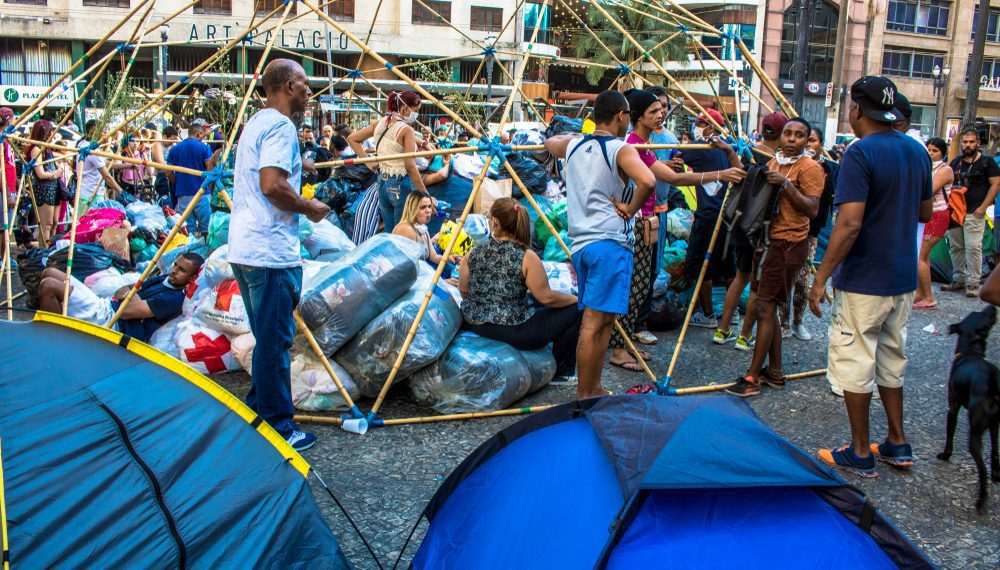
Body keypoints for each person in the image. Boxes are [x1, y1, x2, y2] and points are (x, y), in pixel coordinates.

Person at [808, 76, 932, 477]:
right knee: (892, 358)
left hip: (864, 278)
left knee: (854, 361)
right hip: (901, 276)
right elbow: (926, 213)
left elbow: (848, 224)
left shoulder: (859, 154)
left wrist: (820, 277)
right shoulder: (916, 152)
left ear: (857, 109)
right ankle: (897, 441)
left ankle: (860, 450)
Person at [229, 59, 330, 452]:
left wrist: (298, 167)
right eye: (305, 84)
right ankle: (278, 427)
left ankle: (259, 412)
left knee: (266, 339)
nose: (309, 91)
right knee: (275, 343)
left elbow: (268, 174)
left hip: (246, 248)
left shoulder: (257, 123)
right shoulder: (281, 126)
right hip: (270, 251)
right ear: (289, 85)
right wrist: (310, 207)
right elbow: (271, 185)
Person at [613, 89, 744, 372]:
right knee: (632, 287)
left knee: (640, 285)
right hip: (636, 223)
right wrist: (719, 175)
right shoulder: (632, 145)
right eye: (653, 111)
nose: (661, 114)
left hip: (648, 220)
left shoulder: (644, 145)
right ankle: (619, 348)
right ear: (636, 116)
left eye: (661, 109)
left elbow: (672, 173)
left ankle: (626, 342)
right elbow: (671, 177)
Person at [544, 90, 656, 399]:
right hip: (609, 241)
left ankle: (593, 387)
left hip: (581, 243)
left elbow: (551, 143)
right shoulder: (621, 149)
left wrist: (577, 133)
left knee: (604, 321)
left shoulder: (575, 144)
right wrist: (631, 209)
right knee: (594, 324)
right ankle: (585, 393)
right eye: (628, 115)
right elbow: (648, 181)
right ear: (621, 115)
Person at [726, 117, 824, 398]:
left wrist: (787, 186)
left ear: (807, 141)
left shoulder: (810, 168)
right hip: (767, 242)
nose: (792, 139)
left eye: (799, 135)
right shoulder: (774, 162)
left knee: (765, 306)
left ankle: (752, 376)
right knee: (766, 306)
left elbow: (812, 209)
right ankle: (776, 372)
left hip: (789, 244)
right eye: (788, 133)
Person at [459, 198, 581, 380]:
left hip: (475, 323)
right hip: (513, 331)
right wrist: (577, 300)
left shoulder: (472, 253)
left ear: (494, 222)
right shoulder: (527, 256)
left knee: (535, 302)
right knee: (576, 309)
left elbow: (464, 291)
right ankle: (562, 372)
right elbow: (546, 297)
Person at [715, 112, 790, 350]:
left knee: (740, 277)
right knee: (757, 283)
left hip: (740, 222)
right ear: (781, 134)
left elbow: (739, 176)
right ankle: (744, 335)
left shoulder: (749, 152)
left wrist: (729, 152)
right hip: (763, 227)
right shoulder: (777, 161)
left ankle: (722, 329)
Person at [37, 253, 203, 341]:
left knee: (49, 286)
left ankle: (56, 338)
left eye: (181, 270)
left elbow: (127, 311)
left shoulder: (175, 299)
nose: (174, 270)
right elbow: (123, 290)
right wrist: (131, 294)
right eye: (175, 265)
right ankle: (59, 321)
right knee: (49, 272)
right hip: (107, 305)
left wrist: (130, 295)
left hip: (111, 321)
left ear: (192, 278)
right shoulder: (166, 278)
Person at [681, 108, 745, 330]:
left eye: (701, 123)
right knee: (728, 267)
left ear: (710, 127)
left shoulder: (705, 149)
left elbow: (677, 155)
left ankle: (707, 314)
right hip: (728, 214)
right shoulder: (729, 150)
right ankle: (733, 313)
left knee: (701, 265)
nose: (697, 127)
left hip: (708, 216)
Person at [776, 126, 838, 340]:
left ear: (820, 144)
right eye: (807, 140)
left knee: (802, 280)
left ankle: (798, 321)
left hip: (811, 232)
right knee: (785, 280)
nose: (809, 145)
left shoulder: (829, 168)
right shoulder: (786, 164)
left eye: (812, 140)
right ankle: (782, 322)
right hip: (787, 231)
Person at [348, 90, 428, 231]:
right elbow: (410, 166)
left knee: (390, 231)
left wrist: (368, 162)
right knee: (403, 232)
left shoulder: (380, 123)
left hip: (382, 182)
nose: (416, 115)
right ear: (404, 108)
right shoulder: (406, 130)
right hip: (400, 184)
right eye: (415, 111)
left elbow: (352, 139)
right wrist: (425, 195)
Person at [943, 126, 1000, 297]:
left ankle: (973, 283)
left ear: (978, 143)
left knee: (973, 247)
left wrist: (983, 208)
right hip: (956, 212)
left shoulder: (987, 162)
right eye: (965, 142)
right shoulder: (956, 162)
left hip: (975, 212)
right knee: (956, 246)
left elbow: (996, 184)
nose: (968, 145)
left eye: (971, 142)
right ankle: (958, 279)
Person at [914, 138, 954, 309]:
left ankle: (929, 297)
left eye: (935, 150)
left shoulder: (945, 170)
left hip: (937, 215)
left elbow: (929, 190)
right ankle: (921, 293)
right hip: (927, 214)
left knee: (921, 257)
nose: (930, 153)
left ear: (942, 153)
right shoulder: (927, 167)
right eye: (929, 149)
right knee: (922, 256)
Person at [167, 118, 214, 235]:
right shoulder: (204, 148)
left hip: (183, 194)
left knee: (188, 230)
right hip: (202, 192)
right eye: (203, 135)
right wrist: (210, 185)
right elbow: (209, 166)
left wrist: (175, 182)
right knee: (206, 229)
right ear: (198, 134)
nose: (204, 138)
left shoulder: (175, 149)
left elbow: (168, 171)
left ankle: (191, 251)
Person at [392, 190, 455, 267]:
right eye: (423, 207)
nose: (428, 211)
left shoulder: (422, 228)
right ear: (412, 209)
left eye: (429, 206)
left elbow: (434, 257)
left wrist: (449, 258)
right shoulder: (405, 229)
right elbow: (406, 266)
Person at [26, 120, 64, 246]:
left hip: (53, 190)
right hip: (44, 190)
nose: (52, 134)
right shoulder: (36, 149)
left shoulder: (46, 148)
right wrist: (56, 173)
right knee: (46, 225)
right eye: (50, 131)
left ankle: (48, 248)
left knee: (53, 223)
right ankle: (44, 252)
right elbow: (40, 173)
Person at [78, 119, 123, 211]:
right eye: (103, 131)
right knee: (93, 223)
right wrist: (121, 192)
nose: (105, 134)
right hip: (92, 195)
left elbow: (104, 163)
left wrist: (126, 165)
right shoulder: (92, 150)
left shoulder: (81, 144)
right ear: (93, 131)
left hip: (83, 193)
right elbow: (106, 176)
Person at [151, 125, 179, 204]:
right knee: (165, 202)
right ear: (164, 136)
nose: (173, 142)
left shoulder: (172, 146)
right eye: (172, 139)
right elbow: (161, 163)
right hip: (162, 177)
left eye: (174, 140)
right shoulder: (157, 145)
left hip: (171, 176)